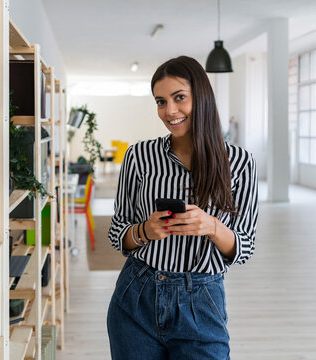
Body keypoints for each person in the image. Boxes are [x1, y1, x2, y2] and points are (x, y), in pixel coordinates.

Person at [107, 56, 258, 360]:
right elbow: (117, 233)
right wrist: (144, 230)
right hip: (136, 295)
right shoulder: (139, 156)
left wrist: (213, 227)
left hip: (201, 301)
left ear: (200, 97)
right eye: (161, 102)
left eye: (179, 98)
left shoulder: (239, 162)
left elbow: (245, 246)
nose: (169, 111)